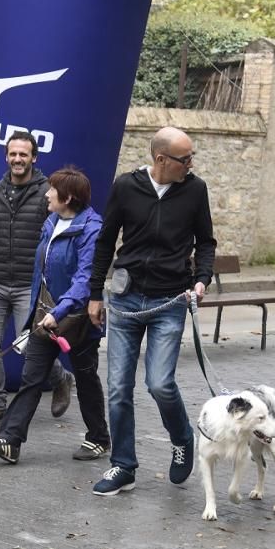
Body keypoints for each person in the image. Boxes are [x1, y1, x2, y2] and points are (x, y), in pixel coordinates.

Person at [86, 126, 216, 496]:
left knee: (159, 383)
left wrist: (201, 280)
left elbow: (205, 241)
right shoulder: (127, 187)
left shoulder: (195, 189)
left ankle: (182, 438)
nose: (191, 164)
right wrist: (95, 293)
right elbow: (106, 240)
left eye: (191, 158)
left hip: (170, 302)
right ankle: (123, 466)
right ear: (161, 160)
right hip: (125, 300)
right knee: (118, 389)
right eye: (185, 158)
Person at [0, 166, 109, 464]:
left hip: (78, 320)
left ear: (69, 197)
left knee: (86, 377)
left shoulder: (91, 229)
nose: (47, 194)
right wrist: (39, 312)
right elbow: (44, 271)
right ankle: (10, 442)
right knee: (31, 377)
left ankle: (99, 438)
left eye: (53, 190)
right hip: (45, 318)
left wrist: (59, 311)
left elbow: (84, 279)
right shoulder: (53, 221)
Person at [0, 131, 73, 427]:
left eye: (24, 154)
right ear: (6, 156)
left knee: (34, 346)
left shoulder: (48, 191)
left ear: (34, 157)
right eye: (13, 154)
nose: (17, 159)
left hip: (29, 287)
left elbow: (58, 237)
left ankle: (61, 379)